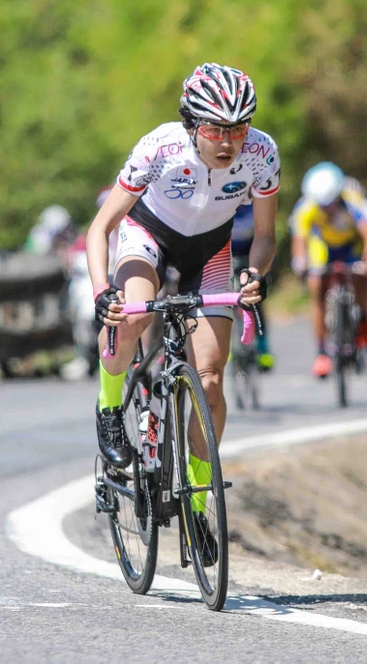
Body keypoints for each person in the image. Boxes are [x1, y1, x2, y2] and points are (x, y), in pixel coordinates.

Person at [87, 64, 279, 552]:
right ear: (192, 124)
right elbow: (100, 228)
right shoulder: (159, 148)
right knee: (134, 315)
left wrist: (254, 274)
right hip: (147, 236)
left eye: (238, 128)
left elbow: (265, 235)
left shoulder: (262, 153)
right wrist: (101, 291)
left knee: (210, 379)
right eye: (215, 129)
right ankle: (109, 406)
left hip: (209, 251)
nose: (228, 141)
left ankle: (196, 501)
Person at [291, 161, 367, 378]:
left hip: (351, 246)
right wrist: (300, 262)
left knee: (361, 281)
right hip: (323, 247)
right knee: (317, 287)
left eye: (330, 204)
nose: (327, 209)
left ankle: (365, 331)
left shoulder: (353, 204)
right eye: (322, 205)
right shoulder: (305, 209)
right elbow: (300, 239)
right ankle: (322, 351)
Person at [231, 201, 274, 370]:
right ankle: (229, 344)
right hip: (228, 254)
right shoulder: (224, 204)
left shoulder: (254, 204)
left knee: (255, 297)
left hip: (251, 253)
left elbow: (264, 236)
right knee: (226, 297)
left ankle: (263, 347)